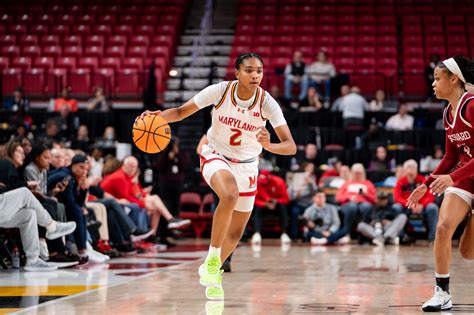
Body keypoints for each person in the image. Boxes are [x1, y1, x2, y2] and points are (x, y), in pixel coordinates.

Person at [138, 52, 296, 300]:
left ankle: (211, 268)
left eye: (259, 71)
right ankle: (213, 258)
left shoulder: (267, 103)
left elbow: (291, 145)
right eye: (249, 70)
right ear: (237, 72)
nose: (255, 75)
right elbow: (180, 112)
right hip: (215, 155)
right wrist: (155, 117)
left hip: (247, 165)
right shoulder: (220, 91)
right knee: (230, 194)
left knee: (236, 234)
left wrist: (270, 145)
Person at [407, 56, 474, 312]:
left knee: (468, 253)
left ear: (454, 79)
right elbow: (450, 157)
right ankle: (442, 293)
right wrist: (427, 183)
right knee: (444, 226)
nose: (432, 84)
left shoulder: (471, 106)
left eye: (437, 78)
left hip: (461, 175)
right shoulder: (448, 113)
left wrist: (452, 177)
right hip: (465, 178)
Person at [312, 163, 376, 245]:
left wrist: (366, 194)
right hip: (349, 206)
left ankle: (362, 232)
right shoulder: (347, 183)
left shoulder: (368, 184)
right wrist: (349, 197)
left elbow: (374, 199)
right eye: (355, 173)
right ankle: (346, 231)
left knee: (366, 206)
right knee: (352, 206)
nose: (357, 175)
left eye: (359, 173)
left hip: (364, 206)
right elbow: (338, 198)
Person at [394, 159, 439, 242]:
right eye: (409, 167)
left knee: (433, 208)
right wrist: (411, 204)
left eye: (413, 167)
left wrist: (422, 205)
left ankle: (433, 237)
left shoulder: (424, 180)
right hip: (407, 206)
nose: (411, 170)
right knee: (396, 207)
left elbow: (431, 196)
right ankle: (401, 236)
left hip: (422, 206)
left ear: (417, 169)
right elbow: (397, 198)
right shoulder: (400, 182)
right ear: (405, 170)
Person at [251, 170, 291, 245]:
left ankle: (284, 233)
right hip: (264, 205)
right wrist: (265, 204)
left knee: (283, 207)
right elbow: (254, 200)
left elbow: (286, 199)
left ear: (270, 178)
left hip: (276, 205)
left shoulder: (279, 182)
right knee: (257, 209)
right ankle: (257, 233)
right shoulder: (257, 182)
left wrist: (276, 201)